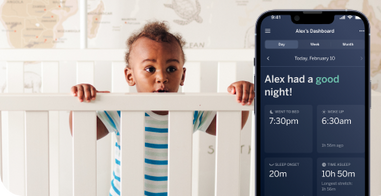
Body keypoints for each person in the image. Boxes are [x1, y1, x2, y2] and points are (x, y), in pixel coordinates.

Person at [69, 21, 254, 196]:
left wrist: (239, 98)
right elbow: (82, 132)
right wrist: (84, 102)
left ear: (182, 76)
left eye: (171, 69)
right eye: (150, 69)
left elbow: (229, 127)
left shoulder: (190, 110)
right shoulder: (121, 109)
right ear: (130, 76)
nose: (162, 77)